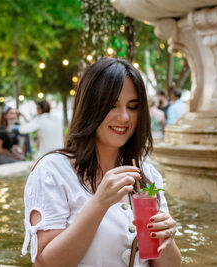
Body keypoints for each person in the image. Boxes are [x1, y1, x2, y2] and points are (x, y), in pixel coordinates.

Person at [22, 58, 181, 266]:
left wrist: (166, 238)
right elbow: (46, 263)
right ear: (90, 108)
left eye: (133, 107)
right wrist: (99, 203)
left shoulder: (146, 175)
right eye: (112, 106)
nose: (124, 117)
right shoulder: (53, 172)